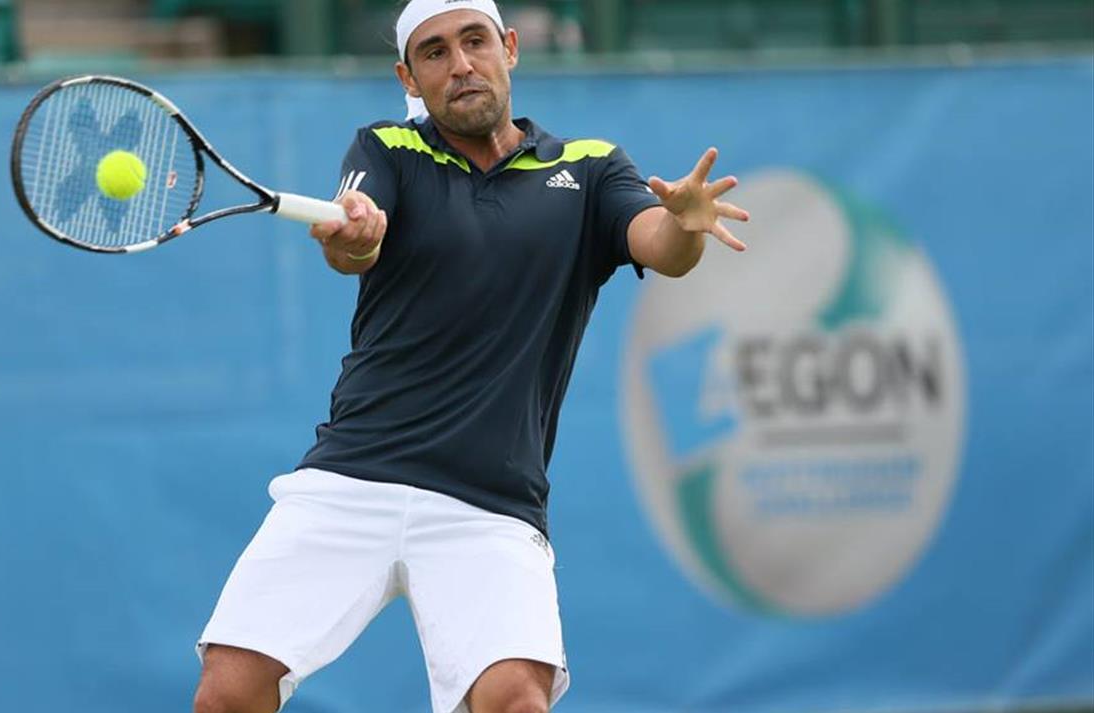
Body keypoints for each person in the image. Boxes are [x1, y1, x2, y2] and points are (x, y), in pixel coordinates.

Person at [192, 1, 749, 711]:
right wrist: (356, 236)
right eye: (434, 53)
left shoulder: (590, 169)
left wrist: (686, 224)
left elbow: (661, 247)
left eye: (474, 42)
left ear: (509, 48)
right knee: (227, 692)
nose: (460, 65)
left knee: (516, 699)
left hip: (490, 502)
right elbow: (354, 242)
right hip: (354, 475)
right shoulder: (386, 149)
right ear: (408, 77)